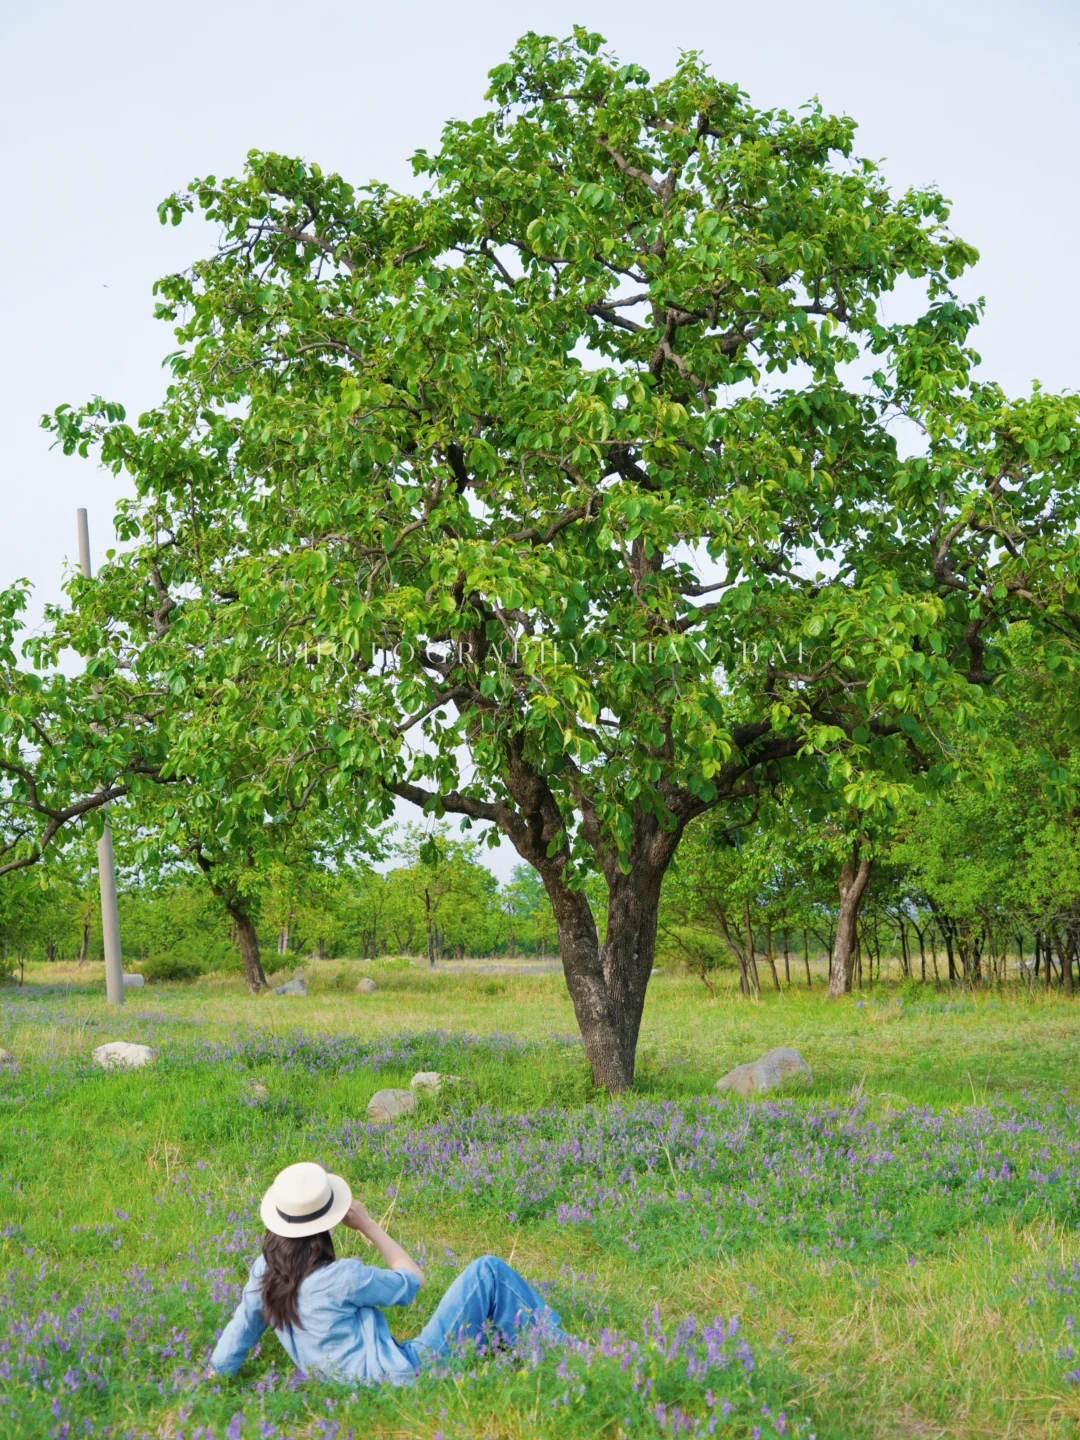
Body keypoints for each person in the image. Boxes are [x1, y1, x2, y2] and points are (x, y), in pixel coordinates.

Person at [210, 1161, 562, 1382]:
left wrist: (214, 1374)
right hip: (400, 1373)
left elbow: (242, 1328)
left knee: (484, 1333)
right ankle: (569, 1355)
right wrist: (368, 1225)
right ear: (328, 1220)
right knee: (488, 1271)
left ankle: (520, 1347)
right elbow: (412, 1282)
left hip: (341, 1385)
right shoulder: (342, 1278)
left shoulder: (265, 1271)